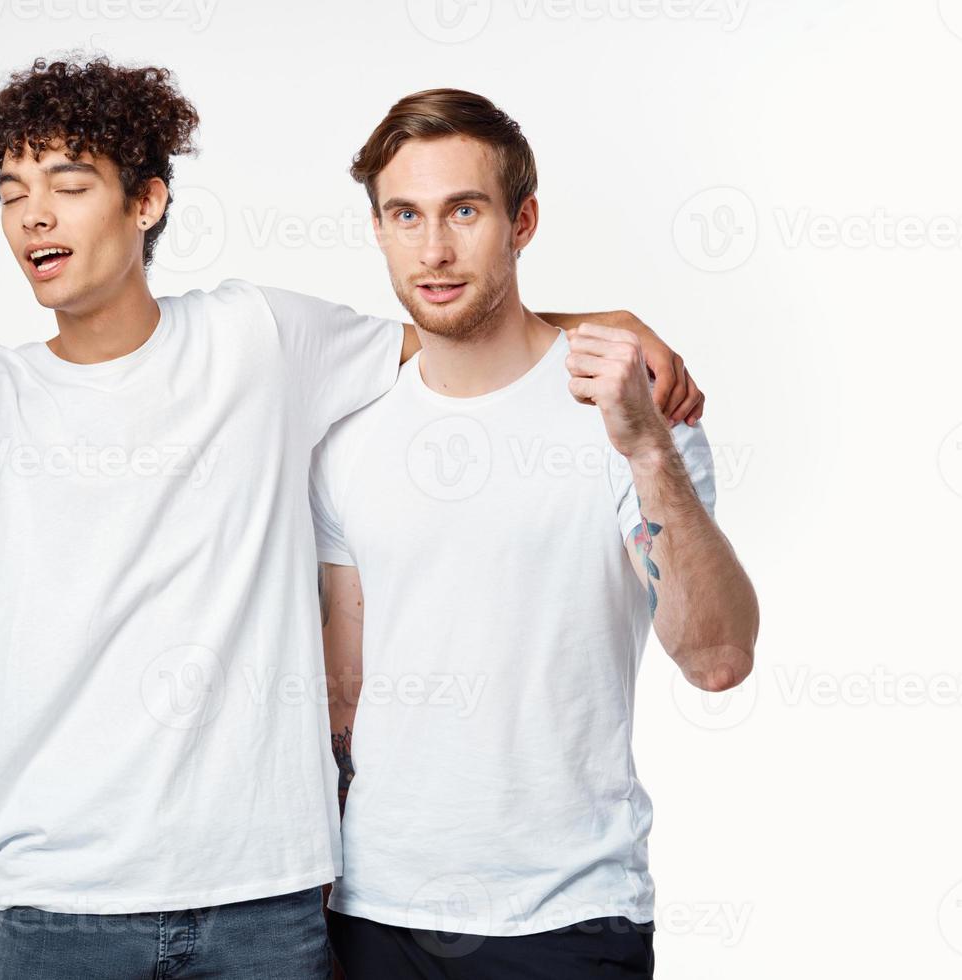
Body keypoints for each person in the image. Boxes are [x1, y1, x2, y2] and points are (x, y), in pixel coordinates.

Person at [0, 57, 702, 979]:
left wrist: (603, 326)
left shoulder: (259, 340)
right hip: (60, 906)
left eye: (69, 182)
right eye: (10, 188)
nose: (33, 213)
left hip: (269, 904)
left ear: (146, 200)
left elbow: (459, 323)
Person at [312, 88, 759, 980]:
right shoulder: (348, 436)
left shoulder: (634, 410)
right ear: (378, 228)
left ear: (524, 222)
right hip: (374, 914)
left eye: (464, 211)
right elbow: (344, 701)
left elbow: (717, 658)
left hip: (572, 916)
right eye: (406, 214)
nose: (433, 249)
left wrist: (644, 449)